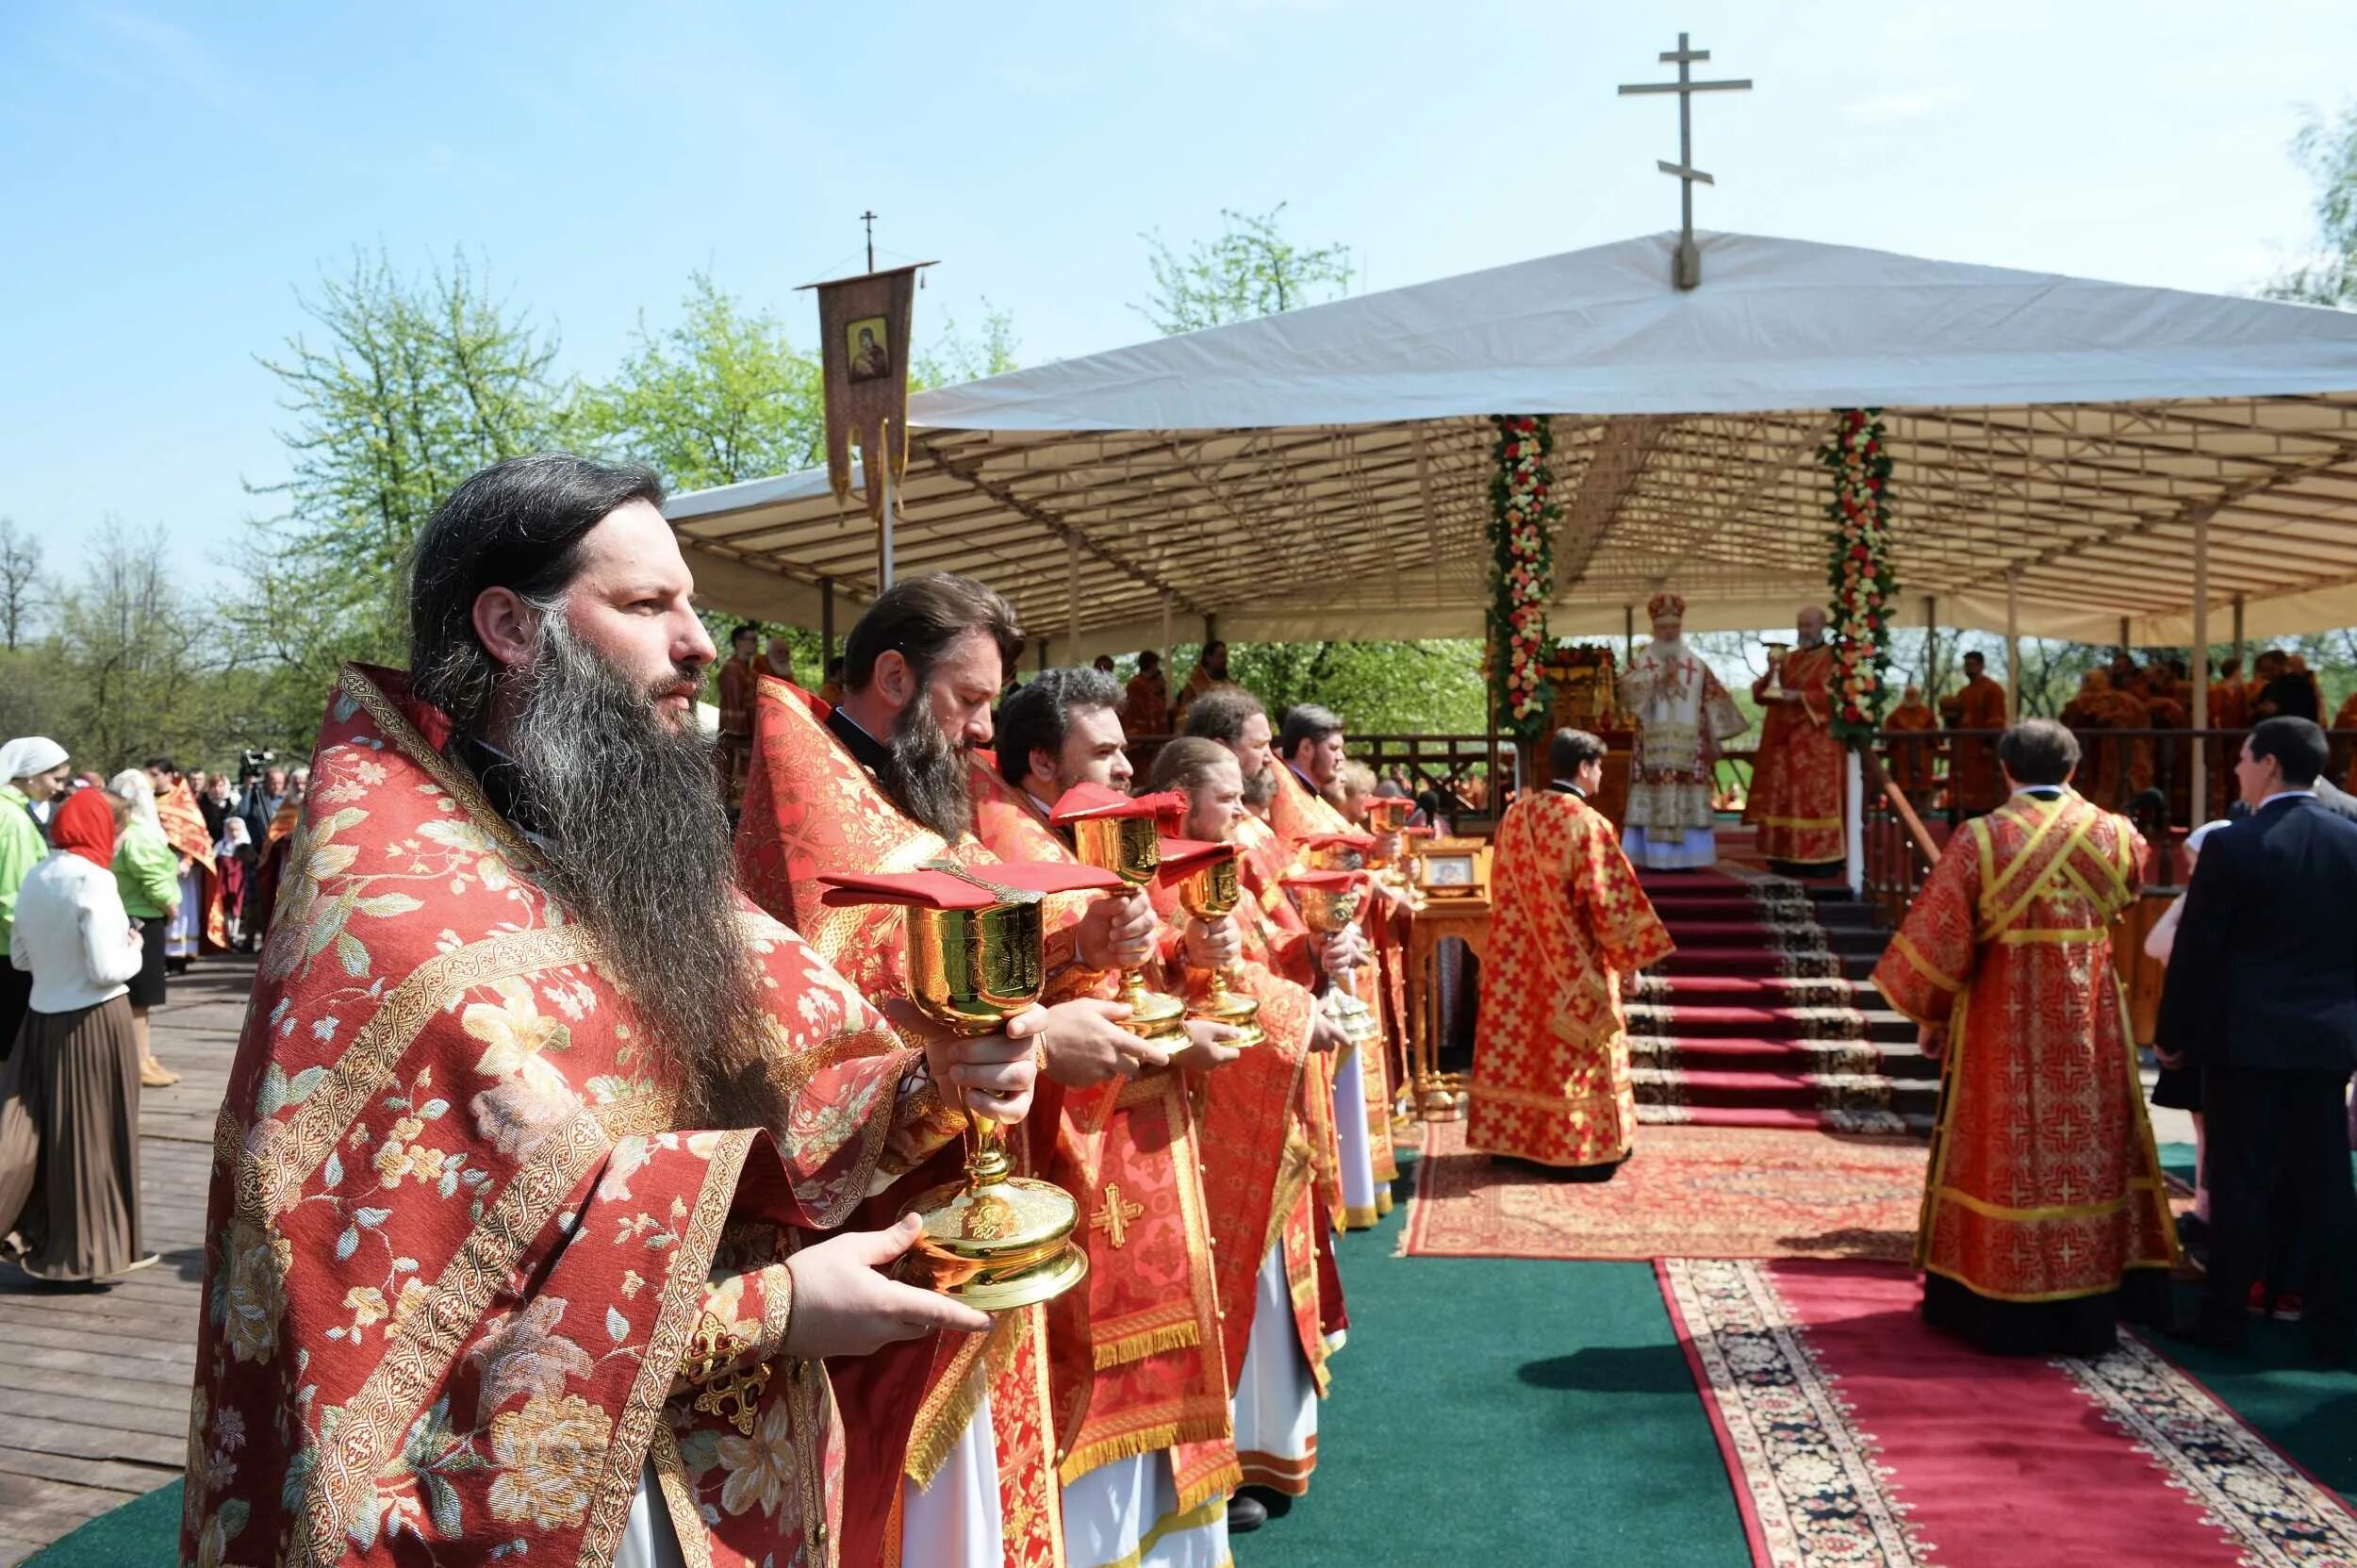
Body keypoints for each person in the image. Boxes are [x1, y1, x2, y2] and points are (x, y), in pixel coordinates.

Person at [182, 454, 1040, 1566]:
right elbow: (395, 1334)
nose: (697, 643)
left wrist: (931, 1086)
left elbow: (800, 1071)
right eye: (647, 605)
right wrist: (769, 1309)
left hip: (736, 1464)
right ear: (509, 625)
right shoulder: (399, 924)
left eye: (688, 602)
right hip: (584, 1513)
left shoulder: (613, 843)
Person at [737, 571, 1205, 1568]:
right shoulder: (811, 795)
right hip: (891, 1227)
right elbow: (853, 1002)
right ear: (895, 675)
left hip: (973, 1205)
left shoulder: (903, 789)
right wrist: (1039, 1032)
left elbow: (964, 967)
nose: (986, 731)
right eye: (969, 700)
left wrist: (1082, 945)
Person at [972, 668, 1252, 1548]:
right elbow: (1016, 1023)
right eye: (1107, 750)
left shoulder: (1090, 845)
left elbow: (1149, 981)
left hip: (1141, 1147)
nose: (1131, 766)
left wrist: (1198, 955)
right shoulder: (1004, 851)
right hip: (1079, 1169)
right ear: (1044, 762)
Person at [1872, 718, 2176, 1355]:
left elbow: (1941, 939)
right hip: (2089, 1023)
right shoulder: (2119, 835)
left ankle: (1992, 1305)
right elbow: (2127, 895)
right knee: (2086, 1153)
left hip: (2000, 1025)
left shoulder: (1981, 838)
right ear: (2073, 768)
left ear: (2007, 768)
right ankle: (2087, 1301)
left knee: (2002, 1151)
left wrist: (1931, 1017)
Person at [1148, 736, 1345, 1528]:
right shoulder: (1165, 876)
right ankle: (1232, 1456)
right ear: (1179, 799)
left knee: (1266, 1289)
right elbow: (1201, 986)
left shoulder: (1226, 858)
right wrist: (1297, 1007)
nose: (1244, 804)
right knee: (1232, 1290)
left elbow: (1265, 962)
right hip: (1212, 1112)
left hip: (1268, 1090)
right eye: (1226, 794)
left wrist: (1320, 957)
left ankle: (1270, 1448)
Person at [2155, 717, 2357, 1361]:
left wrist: (2172, 1034)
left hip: (2244, 1042)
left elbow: (2196, 952)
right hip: (2326, 1041)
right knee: (2327, 1180)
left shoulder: (2236, 845)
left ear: (2268, 763)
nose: (2237, 770)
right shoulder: (2352, 841)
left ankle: (2226, 1321)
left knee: (2238, 1180)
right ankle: (2335, 1325)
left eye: (2242, 759)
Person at [1467, 729, 1673, 1178]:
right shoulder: (1587, 824)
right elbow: (1611, 902)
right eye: (1598, 767)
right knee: (1577, 1055)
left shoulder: (1515, 816)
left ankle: (1513, 1142)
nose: (1600, 775)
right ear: (1584, 768)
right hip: (1570, 965)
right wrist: (1630, 963)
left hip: (1514, 965)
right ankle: (1581, 1150)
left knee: (1520, 1052)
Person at [0, 786, 153, 1283]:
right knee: (96, 1137)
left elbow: (21, 958)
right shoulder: (95, 881)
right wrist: (135, 946)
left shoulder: (35, 875)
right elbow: (108, 968)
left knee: (42, 1133)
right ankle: (91, 1254)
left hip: (41, 1017)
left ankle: (44, 1234)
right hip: (93, 1021)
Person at [2146, 817, 2233, 1253]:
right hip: (2199, 1029)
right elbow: (2154, 945)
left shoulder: (2217, 906)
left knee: (2220, 1130)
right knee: (2205, 1127)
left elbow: (2162, 947)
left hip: (2213, 1030)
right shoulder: (2197, 901)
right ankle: (2205, 1207)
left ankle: (2212, 1212)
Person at [1617, 592, 1748, 869]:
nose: (1668, 633)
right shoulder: (1643, 663)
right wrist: (1657, 676)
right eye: (1663, 627)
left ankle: (1690, 858)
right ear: (1654, 629)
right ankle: (1651, 857)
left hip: (1691, 748)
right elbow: (1626, 692)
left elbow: (1713, 700)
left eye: (1674, 627)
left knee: (1688, 798)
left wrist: (1715, 739)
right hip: (1650, 748)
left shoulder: (1696, 665)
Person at [1745, 605, 1847, 874]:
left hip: (1817, 743)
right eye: (1800, 625)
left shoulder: (1834, 660)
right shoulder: (1787, 660)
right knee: (1783, 797)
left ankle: (1822, 858)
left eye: (1809, 625)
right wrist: (1771, 671)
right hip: (1784, 742)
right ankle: (1782, 853)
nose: (1803, 631)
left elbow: (1837, 699)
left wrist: (1801, 697)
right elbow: (1762, 693)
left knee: (1813, 800)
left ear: (1822, 626)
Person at [107, 768, 179, 1089]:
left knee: (137, 995)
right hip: (141, 918)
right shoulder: (137, 834)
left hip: (125, 915)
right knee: (140, 996)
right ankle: (138, 1061)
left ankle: (143, 1056)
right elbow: (155, 881)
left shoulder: (117, 831)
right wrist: (170, 907)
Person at [1, 737, 71, 1063]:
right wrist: (37, 946)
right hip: (10, 949)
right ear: (30, 774)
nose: (59, 788)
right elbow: (11, 896)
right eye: (55, 778)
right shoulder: (13, 821)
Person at [717, 620, 760, 807]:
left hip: (748, 738)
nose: (756, 643)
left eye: (756, 640)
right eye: (752, 639)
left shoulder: (748, 669)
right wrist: (741, 740)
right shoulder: (732, 670)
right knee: (735, 793)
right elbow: (732, 709)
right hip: (737, 742)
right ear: (739, 641)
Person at [1883, 684, 1941, 805]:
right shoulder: (1896, 714)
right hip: (1902, 759)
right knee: (1903, 788)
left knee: (1923, 787)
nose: (1910, 697)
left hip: (1923, 757)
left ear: (1918, 697)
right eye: (1908, 695)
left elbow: (1935, 735)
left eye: (1913, 695)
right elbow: (1888, 733)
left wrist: (1923, 734)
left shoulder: (1926, 713)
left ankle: (1923, 810)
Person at [1170, 638, 1236, 728]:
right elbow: (1183, 717)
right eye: (1221, 656)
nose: (1225, 660)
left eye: (1225, 656)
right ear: (1208, 658)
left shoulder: (1230, 684)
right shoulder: (1194, 686)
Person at [2249, 649, 2320, 723]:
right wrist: (2259, 708)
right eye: (2263, 671)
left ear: (2283, 665)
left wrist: (2278, 710)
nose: (2266, 674)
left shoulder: (2298, 685)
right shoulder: (2268, 688)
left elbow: (2304, 713)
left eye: (2271, 670)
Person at [1125, 649, 1171, 735]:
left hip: (1159, 728)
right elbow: (1142, 706)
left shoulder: (1155, 682)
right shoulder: (1135, 684)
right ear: (1152, 664)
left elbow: (1163, 702)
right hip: (1142, 730)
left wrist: (1162, 689)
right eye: (1156, 664)